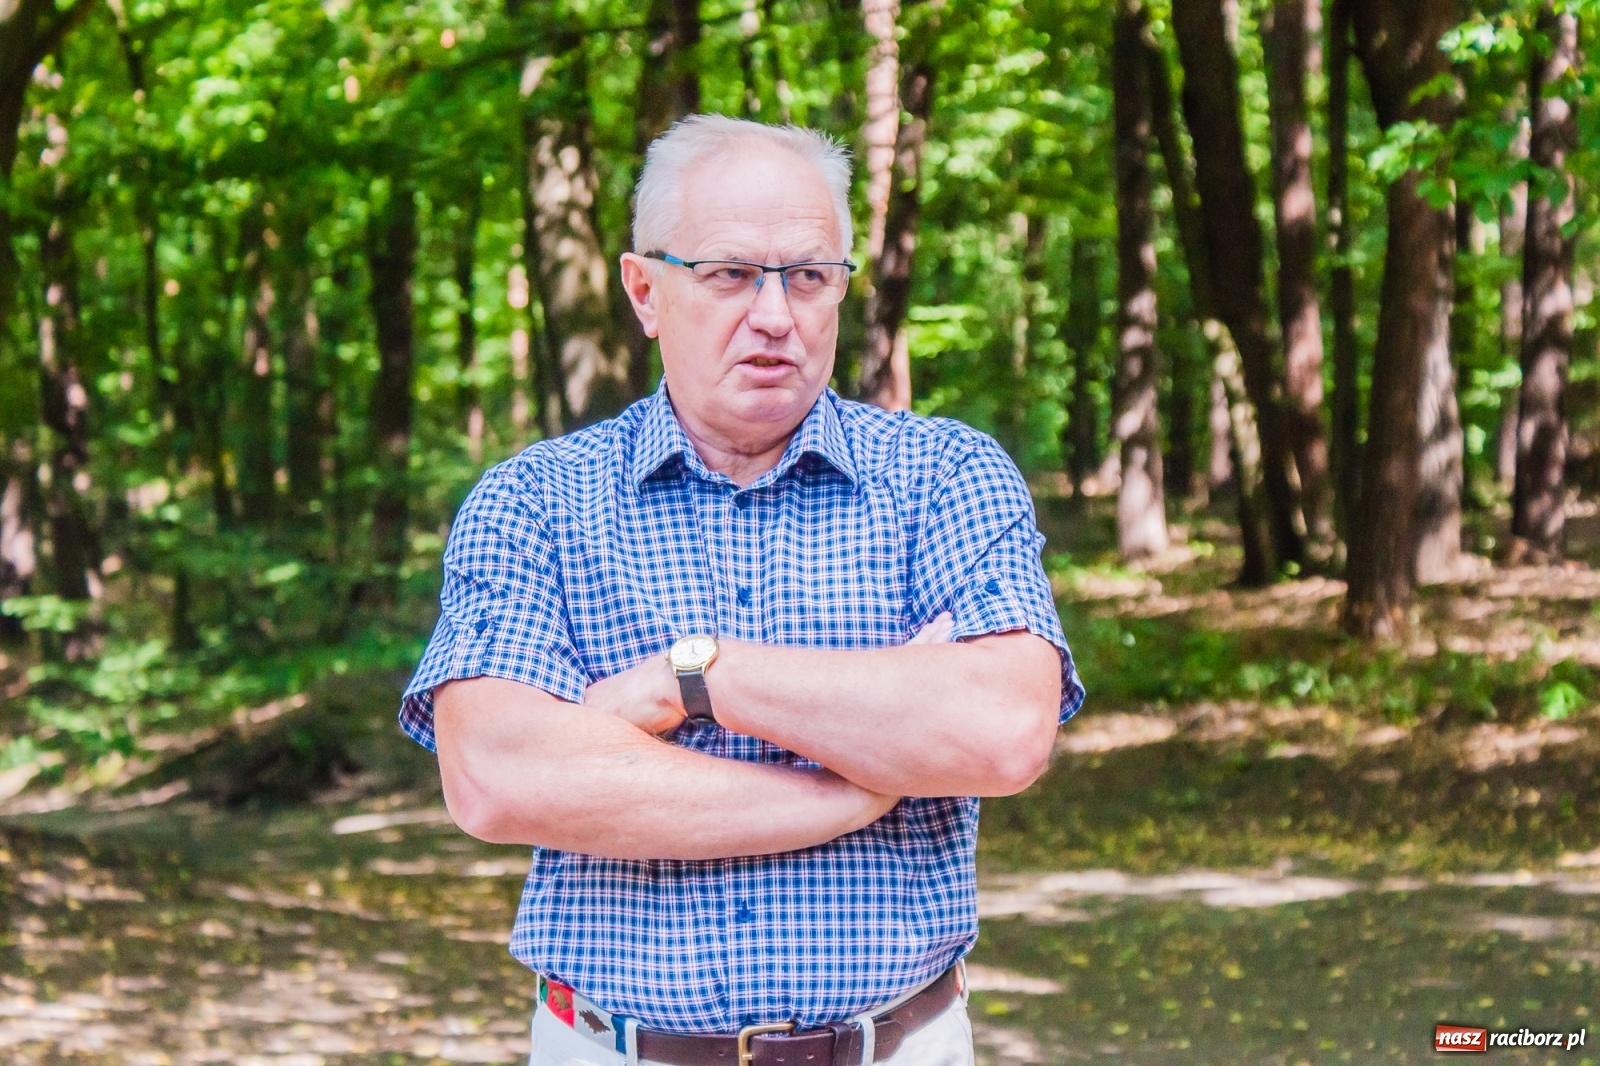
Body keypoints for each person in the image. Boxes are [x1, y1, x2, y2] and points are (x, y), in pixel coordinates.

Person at [400, 114, 1084, 1066]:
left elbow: (1003, 731)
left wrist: (695, 677)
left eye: (808, 276)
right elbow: (494, 777)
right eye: (729, 274)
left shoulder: (945, 476)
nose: (774, 314)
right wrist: (850, 793)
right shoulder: (534, 501)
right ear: (645, 290)